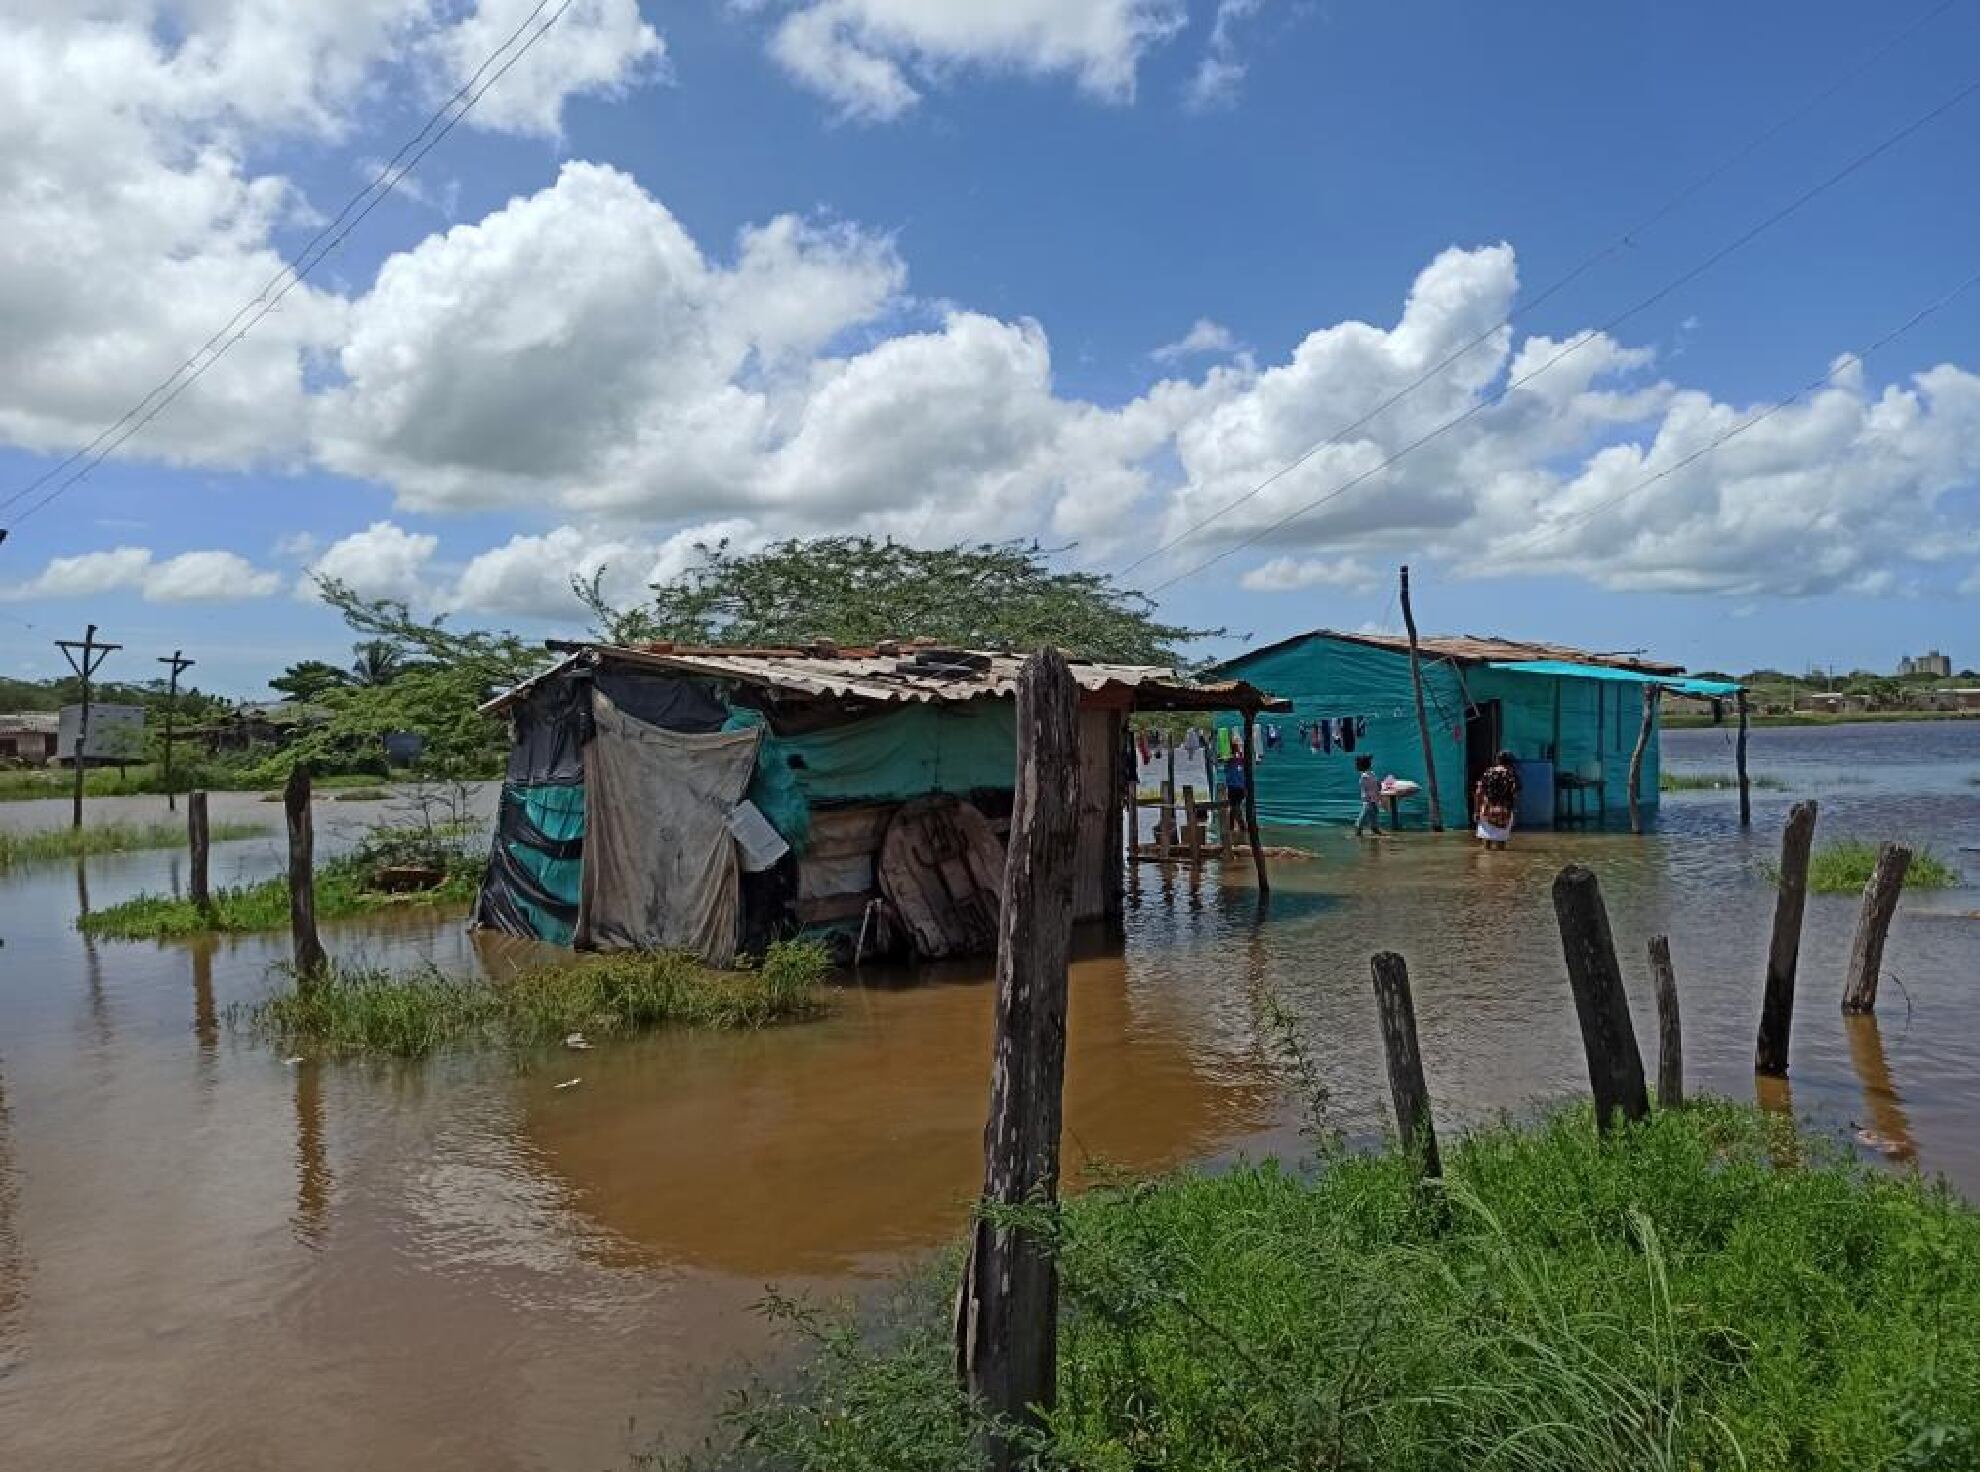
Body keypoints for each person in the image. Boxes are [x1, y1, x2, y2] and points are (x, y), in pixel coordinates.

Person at [1473, 749, 1521, 850]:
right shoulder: (1512, 775)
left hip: (1487, 810)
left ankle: (1486, 862)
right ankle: (1500, 863)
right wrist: (1515, 811)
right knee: (1501, 844)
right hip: (1504, 811)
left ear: (1498, 760)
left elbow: (1478, 793)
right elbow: (1515, 794)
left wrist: (1477, 811)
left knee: (1486, 843)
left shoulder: (1488, 773)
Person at [1353, 754, 1383, 836]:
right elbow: (1366, 788)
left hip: (1374, 798)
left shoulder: (1371, 774)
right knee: (1365, 812)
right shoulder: (1364, 777)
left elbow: (1376, 784)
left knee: (1374, 813)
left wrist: (1378, 785)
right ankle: (1358, 827)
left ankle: (1374, 827)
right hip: (1368, 799)